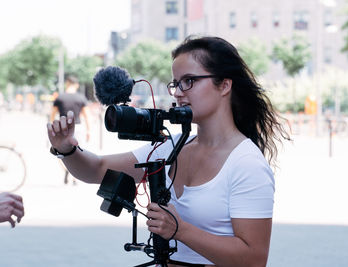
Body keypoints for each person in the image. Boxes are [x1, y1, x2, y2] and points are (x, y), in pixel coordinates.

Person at [47, 36, 289, 266]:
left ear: (224, 85)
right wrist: (66, 149)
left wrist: (180, 230)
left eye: (189, 81)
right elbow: (97, 169)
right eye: (175, 83)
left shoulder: (246, 163)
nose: (178, 92)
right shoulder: (172, 145)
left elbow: (255, 260)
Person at [50, 75, 91, 185]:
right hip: (78, 127)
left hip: (63, 128)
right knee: (77, 152)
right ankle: (74, 177)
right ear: (76, 85)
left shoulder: (59, 97)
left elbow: (52, 115)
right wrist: (89, 130)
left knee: (61, 152)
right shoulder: (81, 98)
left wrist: (53, 130)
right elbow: (87, 116)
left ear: (67, 83)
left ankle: (66, 170)